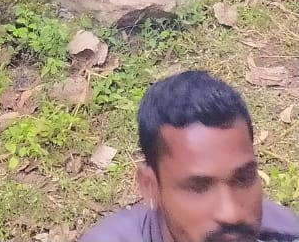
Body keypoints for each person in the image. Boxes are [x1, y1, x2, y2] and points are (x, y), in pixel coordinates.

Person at [78, 70, 299, 242]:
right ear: (149, 186)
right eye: (198, 187)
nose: (231, 214)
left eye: (243, 178)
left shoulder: (285, 233)